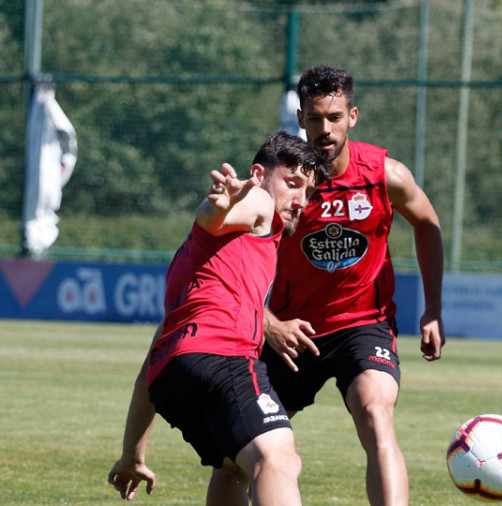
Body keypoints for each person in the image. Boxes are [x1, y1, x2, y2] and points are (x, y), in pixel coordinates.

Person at [248, 65, 444, 506]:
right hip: (292, 332)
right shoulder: (282, 185)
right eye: (315, 118)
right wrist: (268, 323)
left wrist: (433, 308)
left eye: (334, 117)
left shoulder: (384, 174)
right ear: (300, 118)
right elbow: (237, 261)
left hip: (363, 326)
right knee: (249, 447)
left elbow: (428, 225)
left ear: (352, 116)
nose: (325, 129)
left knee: (375, 413)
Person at [107, 132, 327, 505]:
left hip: (172, 378)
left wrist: (132, 455)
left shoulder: (202, 258)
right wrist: (222, 206)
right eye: (292, 184)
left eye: (308, 192)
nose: (300, 200)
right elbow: (215, 216)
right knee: (278, 459)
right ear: (258, 174)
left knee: (234, 468)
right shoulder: (257, 201)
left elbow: (154, 359)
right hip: (221, 358)